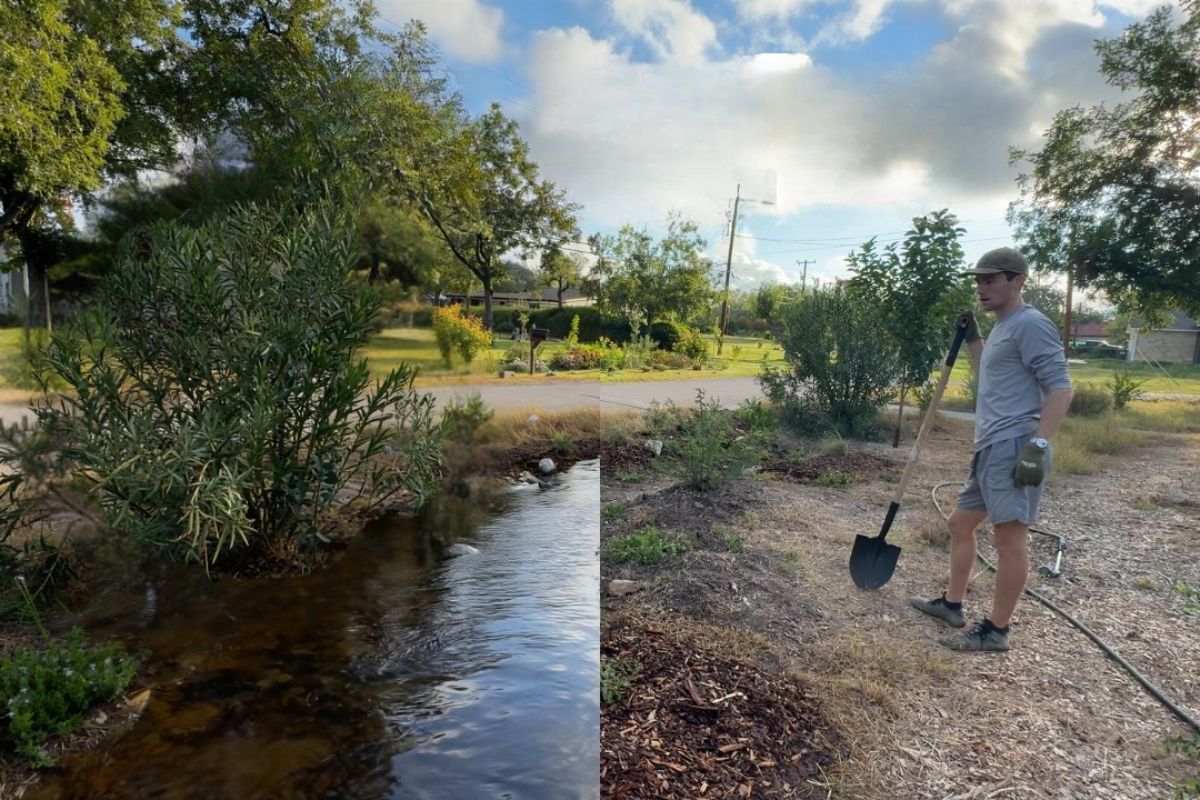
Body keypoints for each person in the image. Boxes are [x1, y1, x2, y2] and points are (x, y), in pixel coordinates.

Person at [911, 247, 1073, 652]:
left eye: (990, 279)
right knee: (959, 524)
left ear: (1016, 280)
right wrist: (974, 340)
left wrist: (1038, 445)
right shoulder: (1004, 326)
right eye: (977, 280)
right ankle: (952, 605)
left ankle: (996, 631)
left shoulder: (1031, 324)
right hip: (991, 445)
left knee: (1009, 540)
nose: (981, 288)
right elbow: (992, 375)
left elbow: (1061, 387)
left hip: (1016, 443)